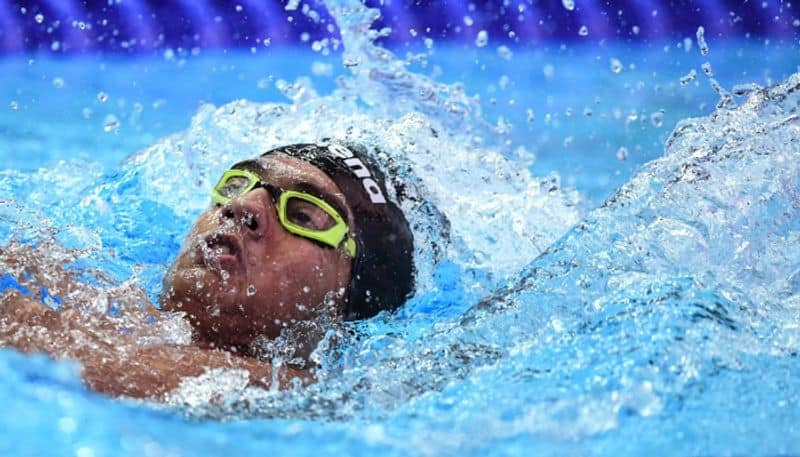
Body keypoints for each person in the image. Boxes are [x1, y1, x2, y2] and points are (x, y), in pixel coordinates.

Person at [0, 142, 415, 400]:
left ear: (349, 300)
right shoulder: (98, 296)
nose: (242, 208)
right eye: (238, 184)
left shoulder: (287, 393)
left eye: (303, 215)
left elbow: (92, 366)